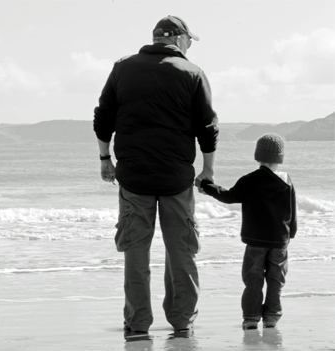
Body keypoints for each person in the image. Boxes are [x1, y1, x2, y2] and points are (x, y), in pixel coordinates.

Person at [93, 15, 219, 340]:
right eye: (189, 40)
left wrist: (105, 158)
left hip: (134, 176)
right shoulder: (193, 73)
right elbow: (208, 127)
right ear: (177, 39)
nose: (190, 45)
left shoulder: (123, 68)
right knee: (181, 251)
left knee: (136, 251)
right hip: (176, 177)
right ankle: (181, 323)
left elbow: (103, 117)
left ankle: (137, 325)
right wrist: (208, 170)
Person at [199, 133, 297, 330]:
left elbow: (228, 196)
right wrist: (290, 234)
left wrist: (206, 186)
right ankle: (271, 317)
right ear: (280, 157)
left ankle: (251, 318)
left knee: (253, 281)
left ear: (257, 155)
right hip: (280, 241)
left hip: (255, 241)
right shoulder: (287, 181)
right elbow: (292, 211)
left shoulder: (251, 179)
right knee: (276, 281)